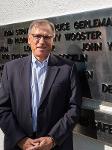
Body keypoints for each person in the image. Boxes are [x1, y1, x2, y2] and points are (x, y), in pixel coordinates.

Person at [0, 19, 81, 150]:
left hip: (55, 146)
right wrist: (21, 139)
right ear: (29, 39)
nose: (42, 41)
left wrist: (53, 139)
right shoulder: (11, 69)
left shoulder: (68, 68)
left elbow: (74, 108)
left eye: (47, 37)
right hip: (18, 145)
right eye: (37, 36)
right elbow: (2, 108)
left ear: (53, 40)